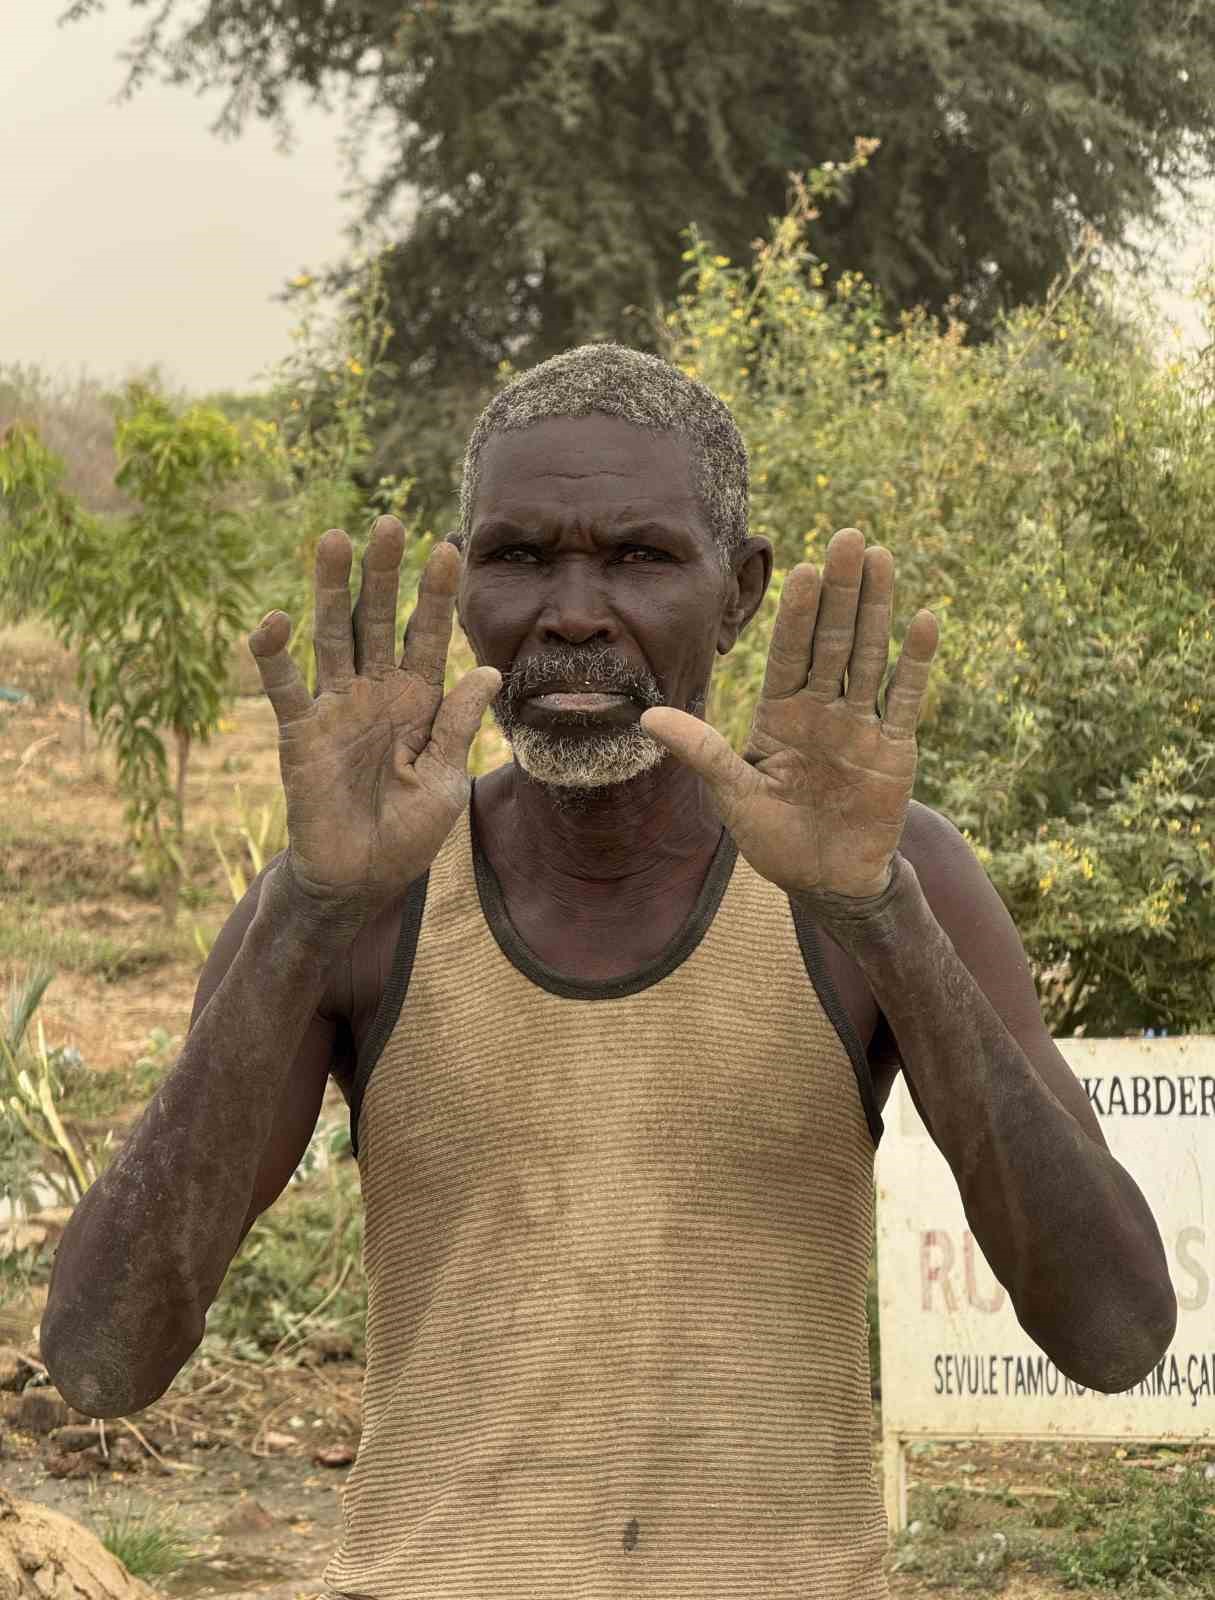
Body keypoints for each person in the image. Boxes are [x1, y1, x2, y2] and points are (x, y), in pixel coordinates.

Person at [43, 344, 1176, 1598]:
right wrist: (306, 912)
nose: (573, 612)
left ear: (739, 592)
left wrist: (881, 918)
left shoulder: (885, 877)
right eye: (521, 557)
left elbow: (1115, 1333)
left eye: (639, 557)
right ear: (466, 583)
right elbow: (102, 1359)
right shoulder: (359, 898)